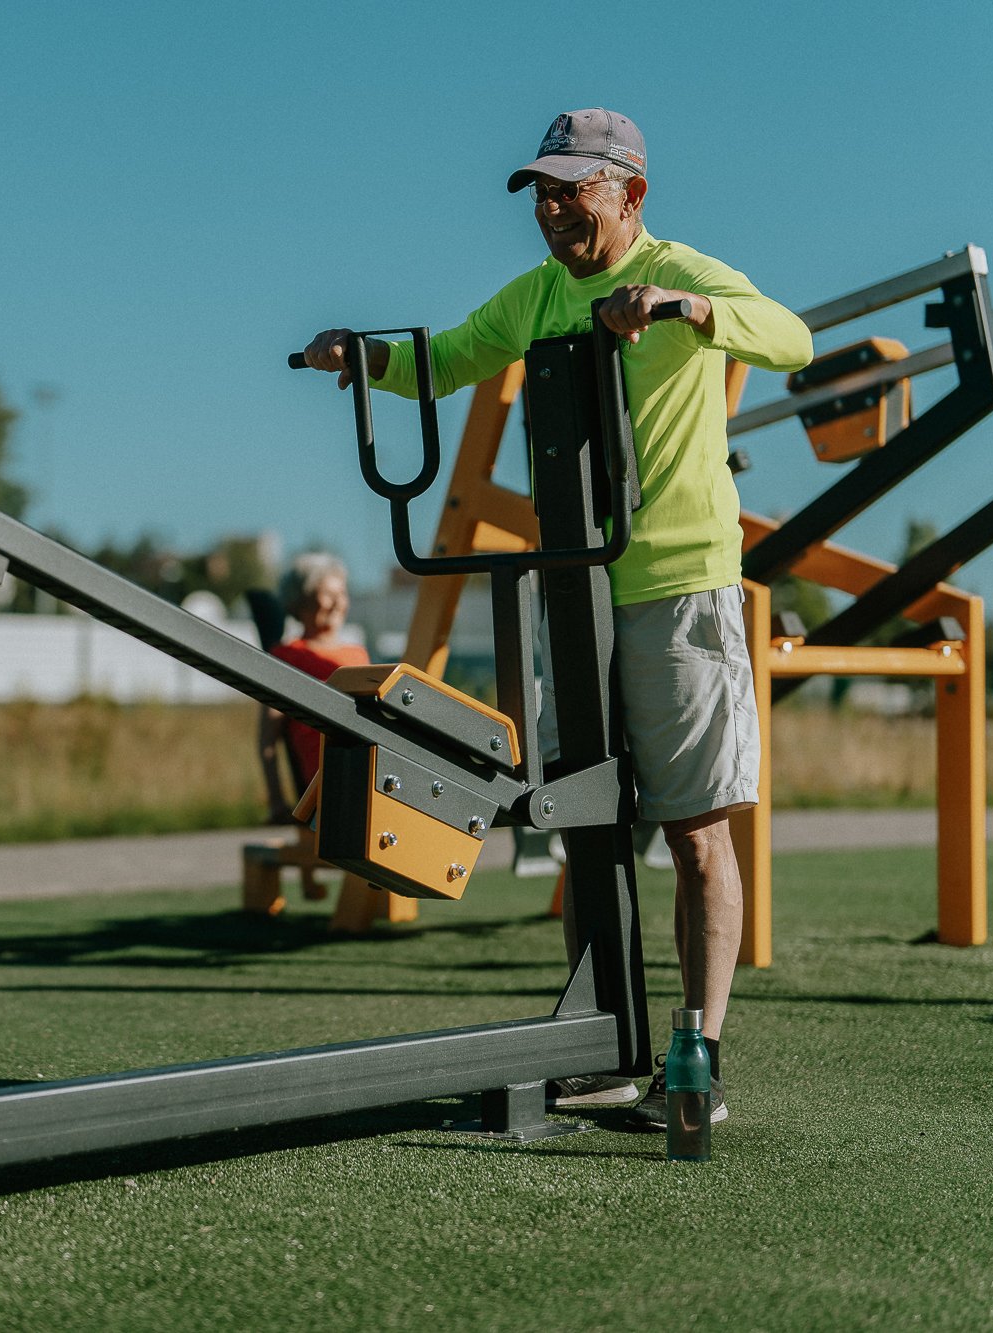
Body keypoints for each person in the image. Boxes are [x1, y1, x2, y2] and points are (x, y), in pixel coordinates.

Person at [299, 108, 812, 1129]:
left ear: (628, 194)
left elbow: (791, 339)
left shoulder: (681, 271)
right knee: (586, 824)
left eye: (568, 190)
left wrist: (681, 310)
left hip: (677, 582)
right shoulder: (536, 297)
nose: (547, 209)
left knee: (695, 829)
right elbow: (443, 358)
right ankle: (601, 1041)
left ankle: (695, 1054)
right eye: (538, 192)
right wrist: (361, 357)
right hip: (574, 588)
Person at [257, 553, 367, 824]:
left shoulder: (357, 654)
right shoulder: (287, 656)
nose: (339, 603)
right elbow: (267, 739)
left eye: (342, 593)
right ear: (301, 600)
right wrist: (277, 801)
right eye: (328, 594)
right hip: (329, 781)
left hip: (369, 769)